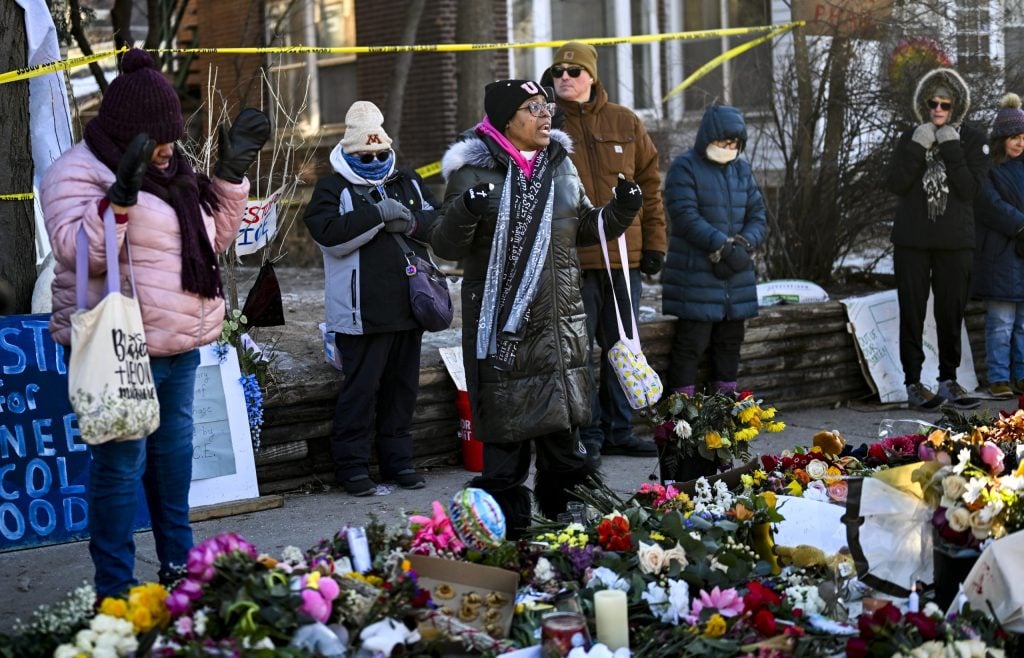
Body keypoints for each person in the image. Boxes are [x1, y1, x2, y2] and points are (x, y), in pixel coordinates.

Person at [41, 49, 268, 598]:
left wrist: (229, 178)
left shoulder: (176, 173)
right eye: (160, 139)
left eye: (174, 137)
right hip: (119, 350)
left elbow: (210, 244)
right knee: (120, 471)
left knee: (172, 467)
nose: (169, 149)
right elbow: (78, 254)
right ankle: (115, 589)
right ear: (127, 131)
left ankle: (179, 570)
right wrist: (117, 200)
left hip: (179, 346)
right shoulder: (74, 172)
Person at [432, 80, 642, 535]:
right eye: (533, 108)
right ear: (507, 119)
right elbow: (446, 245)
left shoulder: (559, 165)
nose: (547, 116)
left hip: (559, 324)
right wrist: (466, 209)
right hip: (507, 332)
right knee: (506, 448)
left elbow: (586, 228)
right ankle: (501, 537)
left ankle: (573, 532)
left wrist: (622, 210)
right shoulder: (472, 172)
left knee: (564, 442)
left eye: (547, 107)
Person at [303, 101, 439, 497]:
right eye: (365, 155)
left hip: (410, 308)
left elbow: (440, 222)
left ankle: (399, 462)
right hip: (360, 313)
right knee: (359, 393)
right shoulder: (333, 187)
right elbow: (327, 234)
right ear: (349, 152)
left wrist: (411, 221)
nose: (375, 160)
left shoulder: (408, 181)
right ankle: (352, 467)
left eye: (380, 153)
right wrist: (377, 215)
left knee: (402, 391)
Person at [548, 42, 667, 464]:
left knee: (623, 348)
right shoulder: (546, 125)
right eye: (559, 70)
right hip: (572, 260)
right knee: (577, 351)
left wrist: (654, 244)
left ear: (592, 76)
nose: (565, 76)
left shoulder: (624, 121)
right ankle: (590, 432)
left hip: (622, 257)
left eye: (574, 70)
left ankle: (620, 429)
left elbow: (650, 186)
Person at [887, 67, 988, 409]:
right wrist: (919, 146)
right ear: (924, 103)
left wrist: (951, 148)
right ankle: (914, 383)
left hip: (955, 241)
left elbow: (970, 189)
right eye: (933, 102)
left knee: (951, 312)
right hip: (912, 241)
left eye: (946, 103)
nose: (939, 109)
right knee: (912, 313)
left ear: (956, 105)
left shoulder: (973, 139)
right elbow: (896, 184)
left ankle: (948, 380)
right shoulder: (909, 137)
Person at [661, 105, 766, 399]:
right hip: (696, 276)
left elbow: (758, 214)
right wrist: (721, 245)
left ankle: (724, 411)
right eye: (723, 142)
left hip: (737, 278)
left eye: (733, 144)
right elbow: (684, 214)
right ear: (708, 138)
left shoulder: (742, 170)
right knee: (690, 346)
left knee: (730, 345)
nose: (728, 149)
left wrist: (744, 245)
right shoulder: (685, 167)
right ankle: (681, 417)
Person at [973, 92, 1024, 398]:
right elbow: (990, 206)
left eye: (1023, 136)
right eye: (1013, 137)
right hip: (1000, 256)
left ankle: (1021, 374)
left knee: (1022, 326)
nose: (1019, 142)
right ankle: (998, 378)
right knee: (1001, 324)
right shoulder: (988, 170)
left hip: (1020, 254)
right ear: (1001, 139)